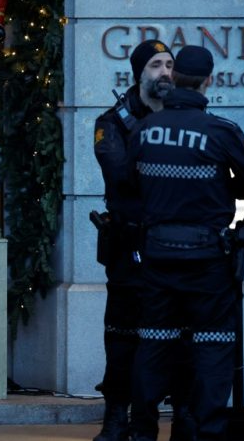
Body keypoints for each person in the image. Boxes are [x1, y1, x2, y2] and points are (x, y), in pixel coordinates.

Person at [127, 45, 244, 441]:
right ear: (208, 81)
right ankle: (207, 432)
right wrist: (221, 186)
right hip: (207, 260)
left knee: (153, 345)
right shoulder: (220, 131)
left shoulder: (143, 129)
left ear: (173, 79)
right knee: (213, 347)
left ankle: (142, 431)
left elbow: (128, 184)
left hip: (157, 255)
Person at [92, 39, 193, 441]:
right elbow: (119, 174)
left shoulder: (187, 117)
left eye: (169, 65)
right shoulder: (111, 122)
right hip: (129, 245)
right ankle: (117, 416)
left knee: (181, 335)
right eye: (155, 65)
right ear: (138, 74)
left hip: (175, 247)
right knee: (122, 336)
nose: (165, 72)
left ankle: (183, 416)